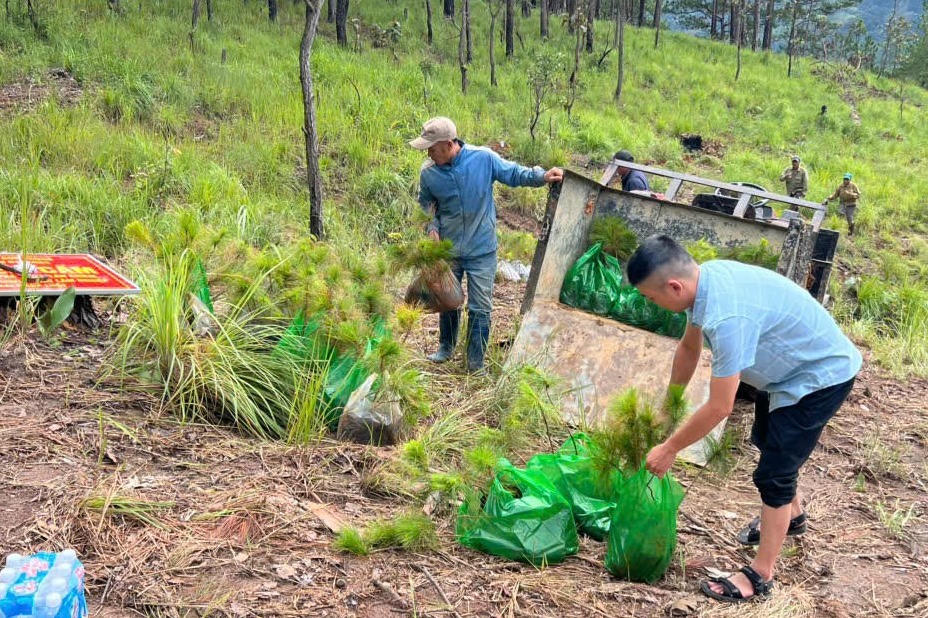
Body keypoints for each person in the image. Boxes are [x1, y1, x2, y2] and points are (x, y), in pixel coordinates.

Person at [627, 235, 861, 604]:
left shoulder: (727, 316)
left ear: (674, 286)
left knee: (774, 474)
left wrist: (670, 448)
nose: (651, 304)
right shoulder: (705, 280)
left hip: (820, 376)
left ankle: (762, 574)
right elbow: (689, 348)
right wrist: (669, 403)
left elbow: (720, 407)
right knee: (766, 442)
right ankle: (792, 517)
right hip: (785, 372)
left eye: (652, 298)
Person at [410, 117, 563, 372]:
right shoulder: (429, 173)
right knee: (449, 301)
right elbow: (426, 205)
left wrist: (542, 176)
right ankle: (446, 348)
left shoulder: (483, 159)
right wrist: (432, 228)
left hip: (482, 250)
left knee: (480, 307)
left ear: (448, 144)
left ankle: (475, 362)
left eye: (432, 147)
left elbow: (513, 173)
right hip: (449, 250)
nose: (428, 153)